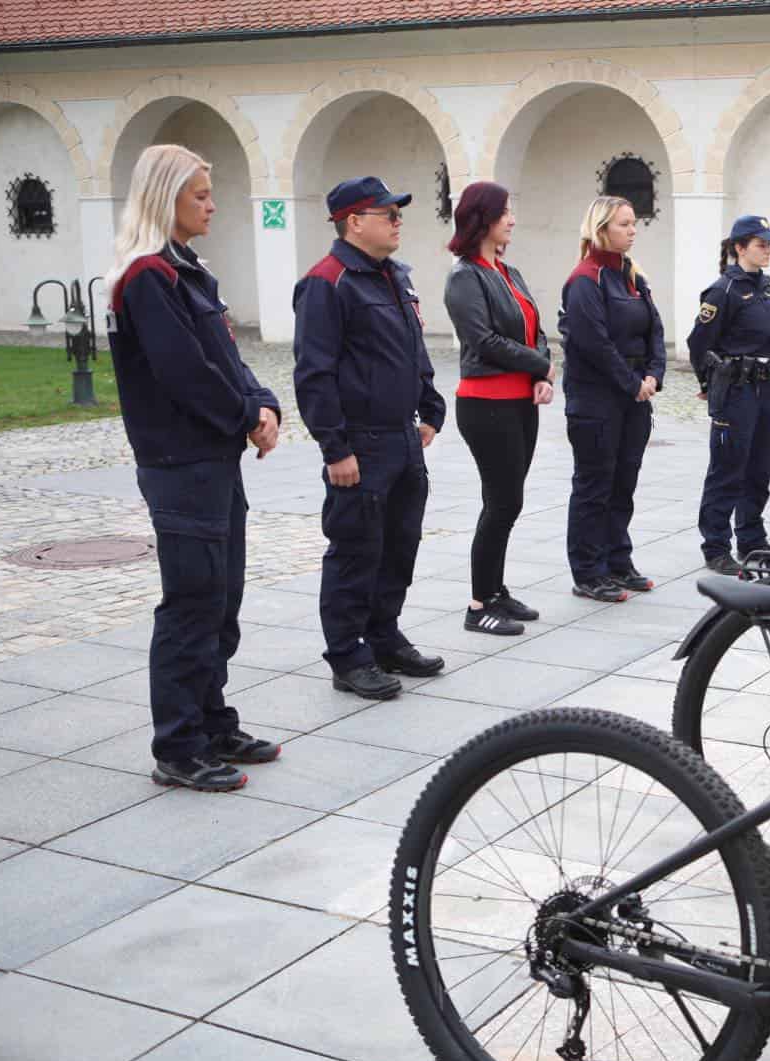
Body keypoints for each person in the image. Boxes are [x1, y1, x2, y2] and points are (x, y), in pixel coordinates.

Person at [104, 143, 282, 792]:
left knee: (222, 599)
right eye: (199, 195)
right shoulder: (148, 276)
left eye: (210, 193)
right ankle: (177, 747)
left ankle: (213, 722)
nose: (212, 204)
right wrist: (245, 417)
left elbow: (228, 356)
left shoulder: (189, 270)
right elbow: (185, 374)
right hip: (180, 464)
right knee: (192, 604)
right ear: (165, 198)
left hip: (214, 460)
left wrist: (263, 404)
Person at [293, 176, 447, 700]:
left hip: (401, 436)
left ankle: (384, 637)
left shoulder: (393, 277)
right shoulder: (328, 281)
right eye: (389, 214)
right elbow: (314, 372)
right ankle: (347, 655)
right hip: (360, 441)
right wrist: (334, 447)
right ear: (354, 221)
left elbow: (412, 347)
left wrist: (430, 402)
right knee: (356, 549)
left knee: (399, 544)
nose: (399, 221)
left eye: (398, 213)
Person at [443, 181, 554, 635]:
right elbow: (483, 341)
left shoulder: (509, 272)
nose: (512, 219)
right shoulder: (464, 276)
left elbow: (536, 327)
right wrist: (541, 364)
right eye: (505, 212)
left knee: (510, 502)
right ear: (482, 218)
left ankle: (495, 591)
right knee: (500, 501)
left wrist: (539, 374)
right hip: (486, 404)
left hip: (519, 403)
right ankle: (477, 605)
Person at [558, 195, 667, 601]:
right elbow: (594, 344)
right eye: (624, 224)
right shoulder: (585, 279)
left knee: (624, 482)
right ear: (601, 228)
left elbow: (655, 329)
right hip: (596, 399)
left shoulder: (632, 276)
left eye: (634, 223)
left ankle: (618, 561)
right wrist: (631, 382)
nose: (632, 230)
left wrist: (654, 373)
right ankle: (588, 570)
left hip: (634, 396)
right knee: (594, 484)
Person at [688, 215, 770, 575]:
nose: (767, 250)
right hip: (736, 388)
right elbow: (699, 341)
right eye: (761, 244)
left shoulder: (766, 288)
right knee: (727, 469)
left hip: (763, 386)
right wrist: (707, 383)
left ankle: (752, 538)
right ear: (740, 248)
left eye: (769, 245)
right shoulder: (723, 291)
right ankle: (715, 545)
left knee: (760, 466)